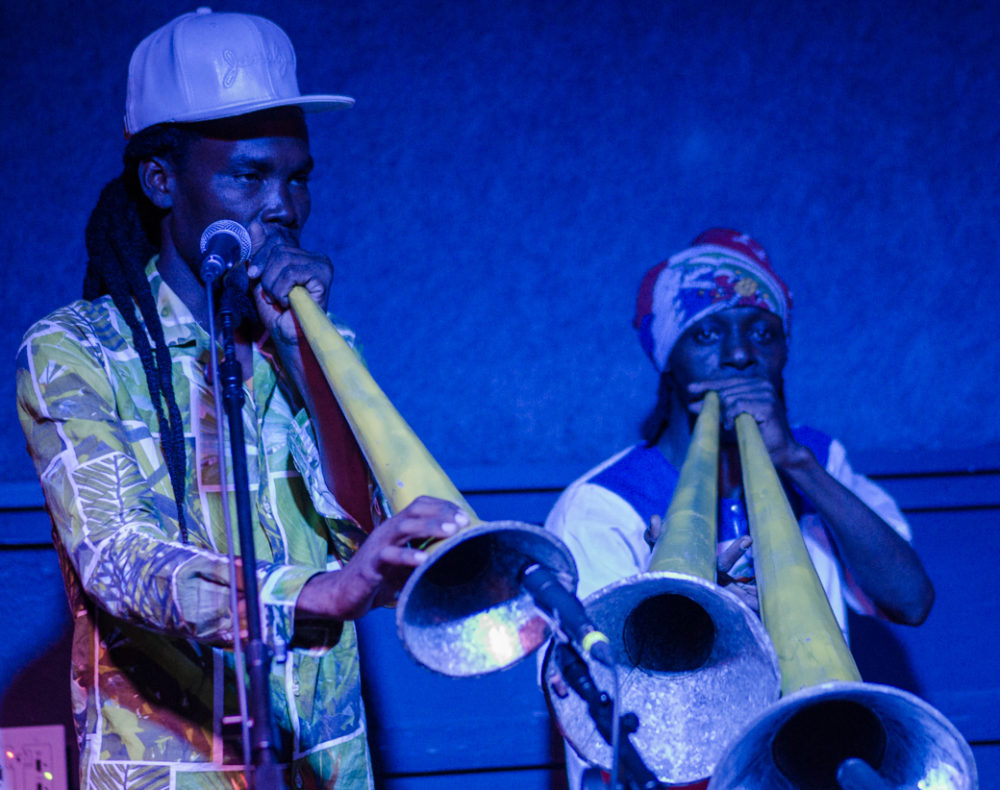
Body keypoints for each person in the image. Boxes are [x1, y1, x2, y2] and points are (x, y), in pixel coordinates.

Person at [16, 10, 467, 789]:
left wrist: (302, 351)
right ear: (163, 179)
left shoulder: (319, 347)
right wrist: (322, 593)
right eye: (249, 176)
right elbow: (119, 559)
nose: (282, 207)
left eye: (298, 178)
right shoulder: (72, 349)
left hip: (323, 770)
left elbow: (364, 520)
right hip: (170, 769)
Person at [544, 228, 935, 789]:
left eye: (762, 331)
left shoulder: (821, 459)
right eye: (704, 332)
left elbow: (911, 599)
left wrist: (797, 464)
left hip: (801, 763)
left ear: (783, 351)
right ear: (668, 358)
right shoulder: (603, 503)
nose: (738, 354)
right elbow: (603, 698)